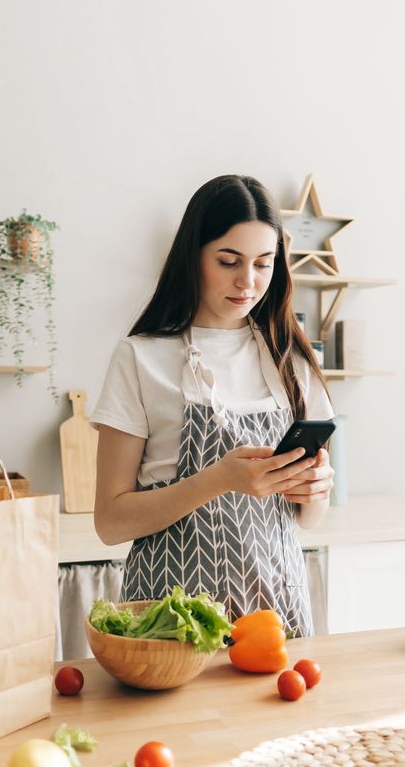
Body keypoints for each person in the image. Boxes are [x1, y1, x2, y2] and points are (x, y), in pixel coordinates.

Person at [89, 174, 335, 636]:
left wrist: (315, 491)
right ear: (193, 256)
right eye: (228, 261)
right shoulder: (140, 357)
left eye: (264, 263)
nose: (248, 281)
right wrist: (219, 480)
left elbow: (309, 520)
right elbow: (110, 521)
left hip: (276, 615)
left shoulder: (293, 360)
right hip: (169, 622)